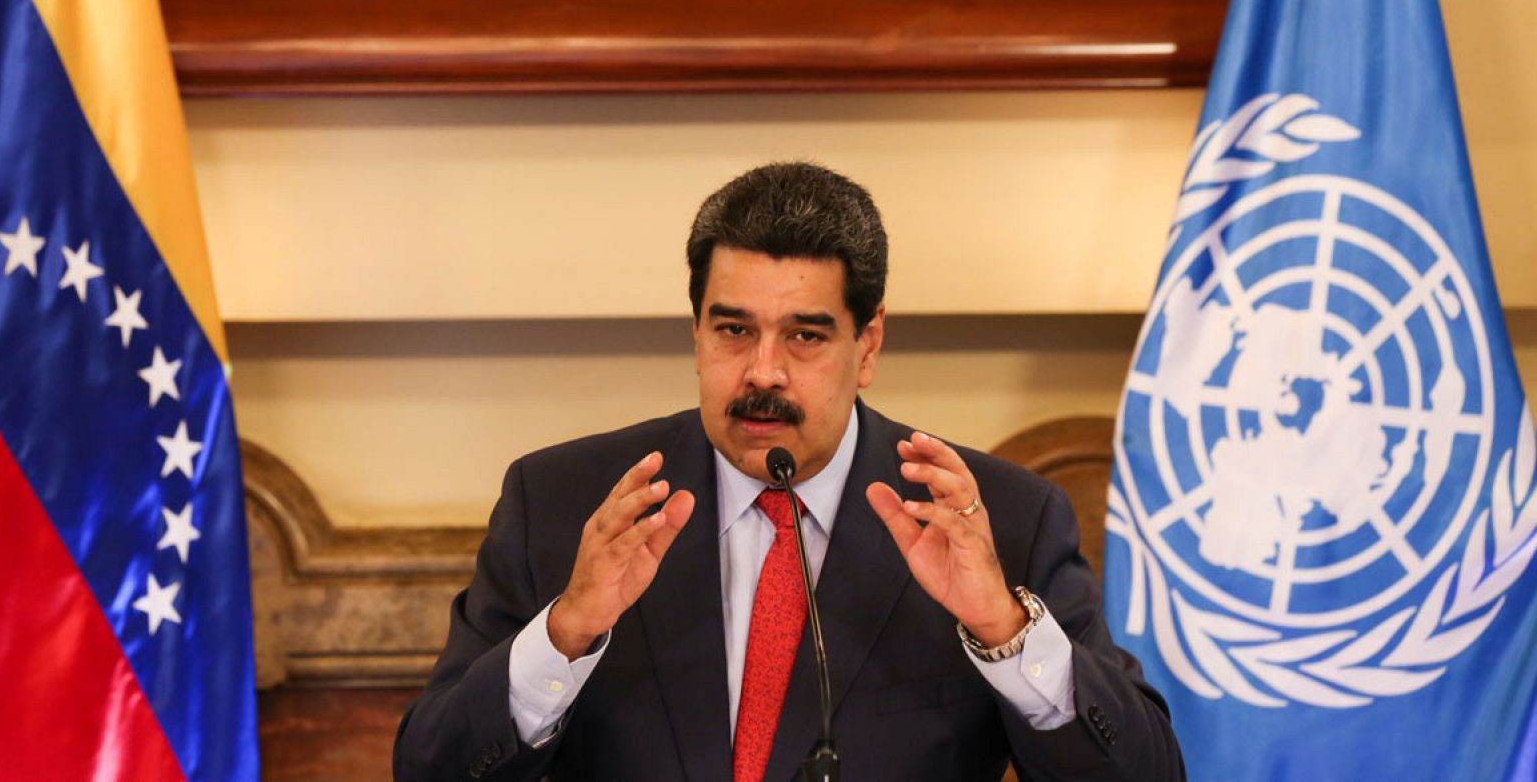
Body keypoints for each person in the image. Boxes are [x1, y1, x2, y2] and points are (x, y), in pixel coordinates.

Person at [394, 162, 1185, 781]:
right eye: (733, 329)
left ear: (868, 344)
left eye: (805, 336)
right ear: (696, 332)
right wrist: (565, 634)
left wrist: (1005, 633)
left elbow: (1145, 773)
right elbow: (431, 771)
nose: (762, 371)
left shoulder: (998, 520)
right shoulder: (565, 504)